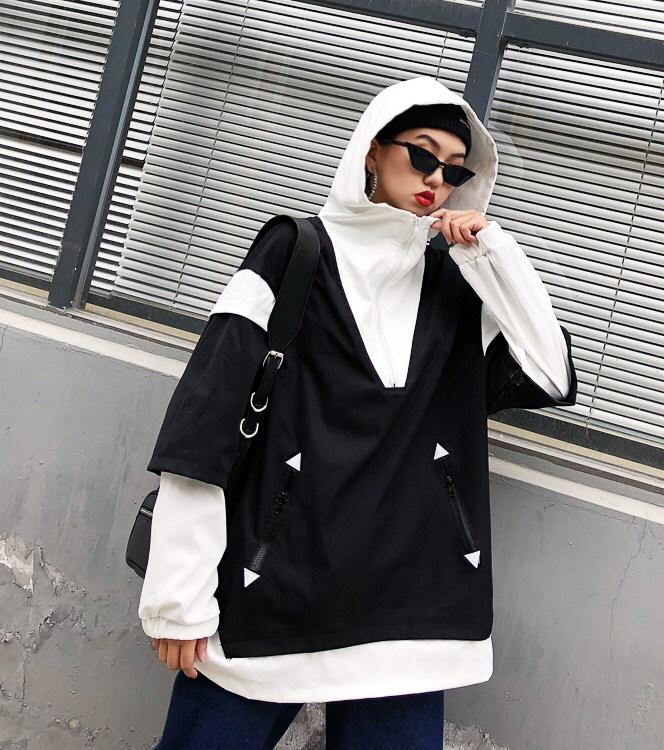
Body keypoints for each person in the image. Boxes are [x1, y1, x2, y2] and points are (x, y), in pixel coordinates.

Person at [138, 74, 577, 749]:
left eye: (456, 169)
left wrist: (494, 253)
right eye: (422, 154)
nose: (437, 178)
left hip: (412, 610)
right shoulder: (293, 251)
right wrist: (178, 596)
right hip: (275, 589)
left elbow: (550, 372)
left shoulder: (456, 286)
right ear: (372, 149)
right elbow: (207, 422)